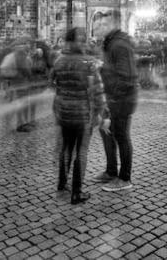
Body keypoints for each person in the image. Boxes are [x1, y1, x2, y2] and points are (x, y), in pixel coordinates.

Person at [50, 27, 108, 205]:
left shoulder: (59, 60)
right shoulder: (88, 63)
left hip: (63, 112)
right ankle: (77, 192)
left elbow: (52, 83)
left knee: (66, 148)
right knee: (81, 152)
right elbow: (97, 91)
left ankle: (61, 183)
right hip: (82, 114)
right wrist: (103, 112)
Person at [93, 13, 138, 192]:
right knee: (106, 133)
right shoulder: (109, 43)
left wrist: (113, 100)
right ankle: (111, 171)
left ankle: (124, 178)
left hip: (121, 99)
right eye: (97, 25)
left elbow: (126, 76)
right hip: (111, 97)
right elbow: (113, 70)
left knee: (121, 136)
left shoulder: (119, 45)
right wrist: (102, 68)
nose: (98, 28)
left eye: (103, 25)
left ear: (112, 26)